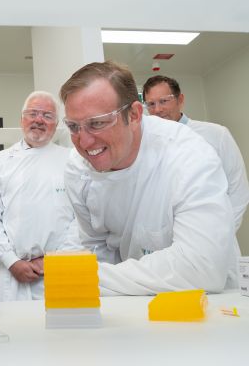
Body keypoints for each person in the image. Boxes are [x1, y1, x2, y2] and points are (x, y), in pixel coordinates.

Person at [60, 61, 237, 295]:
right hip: (130, 301)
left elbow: (202, 267)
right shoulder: (78, 168)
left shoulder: (187, 155)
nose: (84, 142)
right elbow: (96, 246)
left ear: (134, 114)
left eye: (97, 123)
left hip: (208, 304)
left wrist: (81, 278)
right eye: (73, 126)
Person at [0, 91, 80, 301]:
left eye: (47, 116)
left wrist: (55, 260)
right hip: (11, 272)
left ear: (56, 125)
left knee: (60, 330)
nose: (39, 120)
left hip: (59, 268)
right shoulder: (1, 161)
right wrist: (11, 261)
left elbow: (81, 219)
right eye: (33, 113)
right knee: (14, 330)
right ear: (21, 119)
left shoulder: (71, 160)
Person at [142, 75, 249, 234]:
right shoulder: (147, 145)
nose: (157, 110)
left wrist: (220, 234)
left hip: (215, 235)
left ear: (180, 100)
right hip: (167, 243)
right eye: (151, 104)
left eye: (164, 101)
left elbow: (238, 189)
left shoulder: (216, 134)